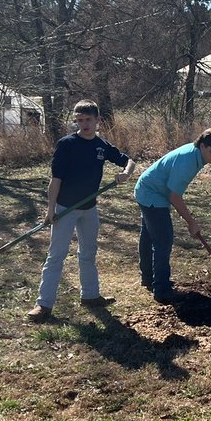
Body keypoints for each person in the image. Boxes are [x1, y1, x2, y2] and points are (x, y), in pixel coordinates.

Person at [26, 101, 135, 322]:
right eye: (79, 120)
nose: (84, 124)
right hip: (65, 208)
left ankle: (90, 296)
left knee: (88, 253)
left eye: (88, 120)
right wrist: (50, 210)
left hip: (89, 208)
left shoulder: (102, 146)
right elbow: (55, 180)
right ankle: (43, 305)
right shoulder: (67, 144)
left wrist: (126, 173)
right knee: (56, 255)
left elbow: (129, 161)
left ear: (97, 121)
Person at [134, 128, 211, 304]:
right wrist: (191, 222)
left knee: (148, 235)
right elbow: (174, 196)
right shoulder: (189, 161)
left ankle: (148, 278)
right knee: (163, 240)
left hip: (147, 188)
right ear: (202, 146)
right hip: (152, 194)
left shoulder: (195, 154)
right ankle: (161, 289)